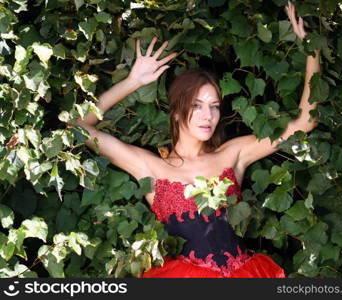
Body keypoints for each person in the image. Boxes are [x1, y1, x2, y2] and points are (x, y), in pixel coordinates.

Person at [73, 1, 319, 278]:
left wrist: (312, 49)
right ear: (177, 112)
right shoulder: (150, 168)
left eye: (214, 106)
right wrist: (133, 82)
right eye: (196, 105)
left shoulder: (232, 154)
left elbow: (304, 123)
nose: (207, 115)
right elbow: (78, 127)